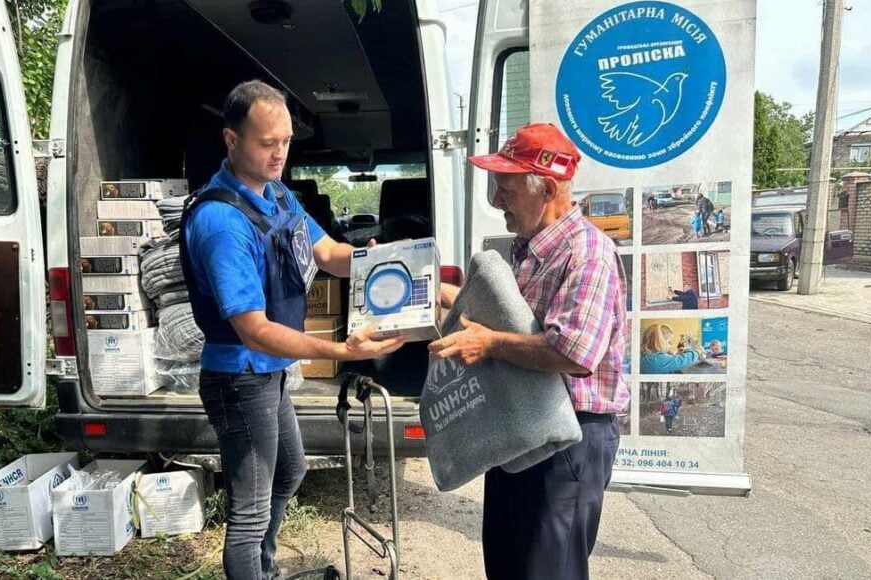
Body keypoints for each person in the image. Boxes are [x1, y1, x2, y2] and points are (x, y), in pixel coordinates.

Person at [179, 80, 406, 580]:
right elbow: (254, 330)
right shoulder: (221, 222)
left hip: (270, 372)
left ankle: (264, 570)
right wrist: (343, 350)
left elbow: (330, 255)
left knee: (291, 471)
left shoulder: (277, 195)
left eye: (285, 140)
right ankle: (256, 568)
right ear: (231, 140)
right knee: (249, 511)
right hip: (240, 378)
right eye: (267, 142)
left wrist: (404, 262)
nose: (279, 152)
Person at [427, 123, 629, 580]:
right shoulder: (530, 248)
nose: (497, 201)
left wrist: (490, 343)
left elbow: (575, 353)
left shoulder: (588, 254)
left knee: (547, 571)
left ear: (549, 189)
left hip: (569, 442)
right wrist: (438, 293)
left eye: (506, 188)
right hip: (522, 429)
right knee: (507, 564)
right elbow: (514, 319)